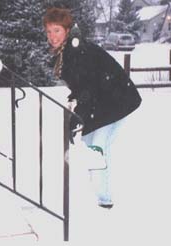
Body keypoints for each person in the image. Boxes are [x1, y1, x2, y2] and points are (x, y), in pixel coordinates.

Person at [43, 7, 142, 209]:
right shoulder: (66, 51)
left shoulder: (77, 51)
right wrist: (76, 104)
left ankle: (104, 201)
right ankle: (100, 189)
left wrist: (75, 116)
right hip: (102, 103)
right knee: (92, 147)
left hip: (116, 102)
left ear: (67, 30)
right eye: (49, 31)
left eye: (57, 30)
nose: (52, 36)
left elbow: (90, 86)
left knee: (97, 151)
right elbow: (83, 85)